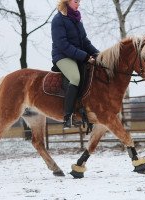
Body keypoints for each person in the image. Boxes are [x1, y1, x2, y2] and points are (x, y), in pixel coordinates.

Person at [51, 0, 99, 129]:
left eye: (79, 1)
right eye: (76, 1)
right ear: (67, 2)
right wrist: (84, 56)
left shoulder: (77, 19)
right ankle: (67, 116)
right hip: (62, 56)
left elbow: (85, 42)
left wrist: (99, 55)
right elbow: (62, 44)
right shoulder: (58, 19)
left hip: (77, 56)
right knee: (75, 78)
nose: (79, 4)